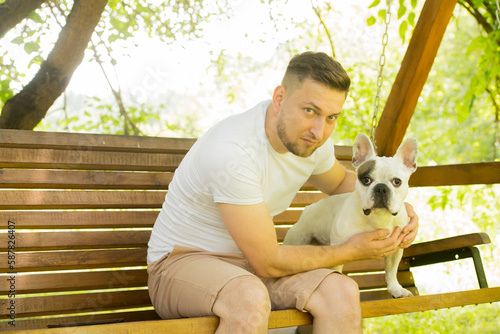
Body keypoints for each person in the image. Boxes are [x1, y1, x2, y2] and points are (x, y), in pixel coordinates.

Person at [147, 51, 419, 333]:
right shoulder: (233, 151)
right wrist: (348, 250)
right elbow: (268, 262)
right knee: (248, 297)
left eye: (331, 117)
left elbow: (341, 185)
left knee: (341, 292)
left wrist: (398, 206)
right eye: (310, 111)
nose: (319, 130)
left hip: (248, 268)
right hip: (181, 265)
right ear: (279, 98)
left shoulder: (312, 144)